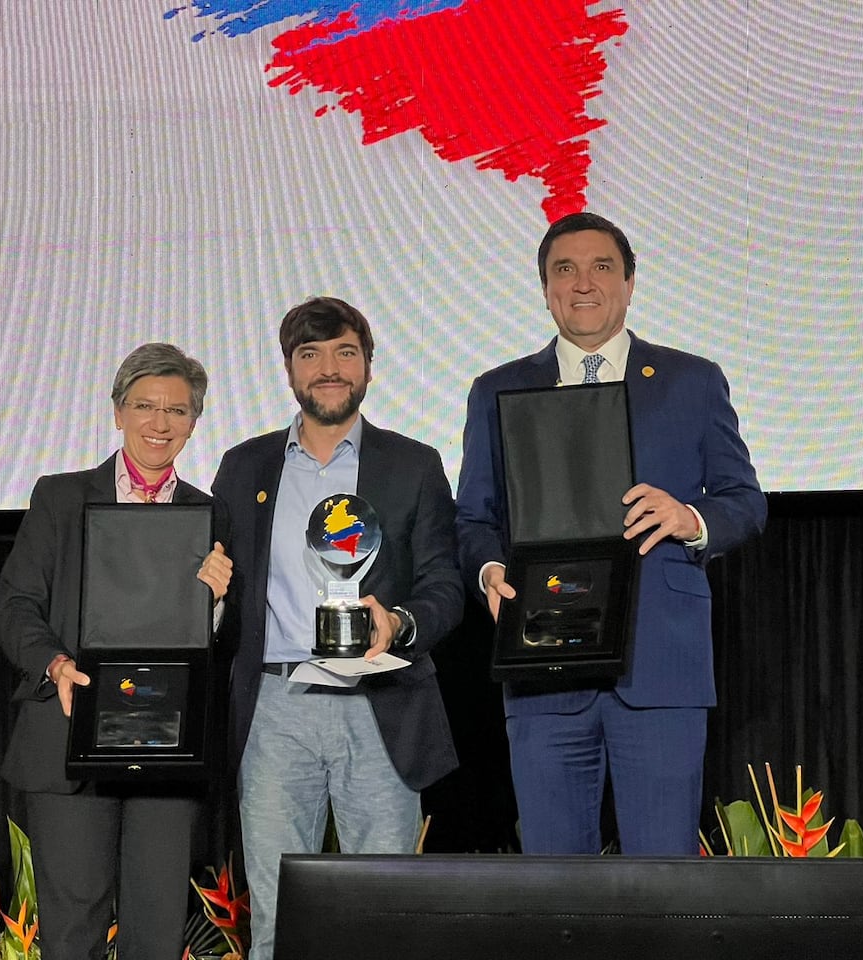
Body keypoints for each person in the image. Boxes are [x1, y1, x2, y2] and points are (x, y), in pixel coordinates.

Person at [455, 212, 767, 857]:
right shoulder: (497, 390)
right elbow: (475, 519)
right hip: (543, 663)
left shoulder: (693, 381)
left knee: (661, 882)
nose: (583, 283)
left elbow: (745, 501)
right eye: (563, 270)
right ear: (545, 289)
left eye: (601, 267)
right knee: (556, 889)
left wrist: (691, 518)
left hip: (662, 666)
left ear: (629, 282)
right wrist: (489, 573)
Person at [201, 296, 462, 960]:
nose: (329, 369)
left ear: (369, 366)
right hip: (277, 708)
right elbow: (220, 592)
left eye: (346, 352)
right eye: (310, 354)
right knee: (277, 925)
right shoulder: (245, 467)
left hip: (380, 707)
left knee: (386, 919)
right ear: (288, 370)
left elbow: (443, 586)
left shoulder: (413, 464)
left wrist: (400, 622)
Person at [0, 342, 227, 960]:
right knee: (72, 934)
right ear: (118, 411)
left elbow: (219, 643)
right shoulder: (61, 497)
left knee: (156, 931)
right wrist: (55, 663)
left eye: (177, 411)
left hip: (166, 740)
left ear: (194, 422)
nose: (160, 423)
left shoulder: (207, 513)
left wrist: (219, 603)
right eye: (145, 406)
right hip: (69, 732)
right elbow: (16, 607)